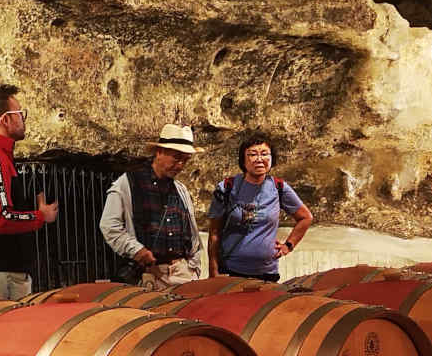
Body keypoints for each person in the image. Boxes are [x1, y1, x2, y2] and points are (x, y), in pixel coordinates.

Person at [0, 84, 58, 300]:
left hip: (6, 272)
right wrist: (41, 216)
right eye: (20, 114)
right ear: (5, 120)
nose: (23, 120)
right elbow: (2, 219)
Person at [99, 124, 204, 290]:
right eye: (176, 158)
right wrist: (137, 251)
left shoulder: (180, 189)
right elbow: (109, 225)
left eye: (185, 160)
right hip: (150, 274)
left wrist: (193, 267)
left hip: (182, 272)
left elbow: (192, 234)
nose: (180, 165)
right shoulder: (129, 183)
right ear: (159, 152)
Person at [208, 133, 312, 282]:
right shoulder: (227, 187)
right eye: (252, 154)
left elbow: (305, 218)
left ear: (271, 159)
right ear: (243, 160)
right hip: (230, 271)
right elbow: (214, 232)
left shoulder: (279, 187)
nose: (259, 159)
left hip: (266, 272)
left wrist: (288, 245)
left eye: (264, 154)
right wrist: (213, 271)